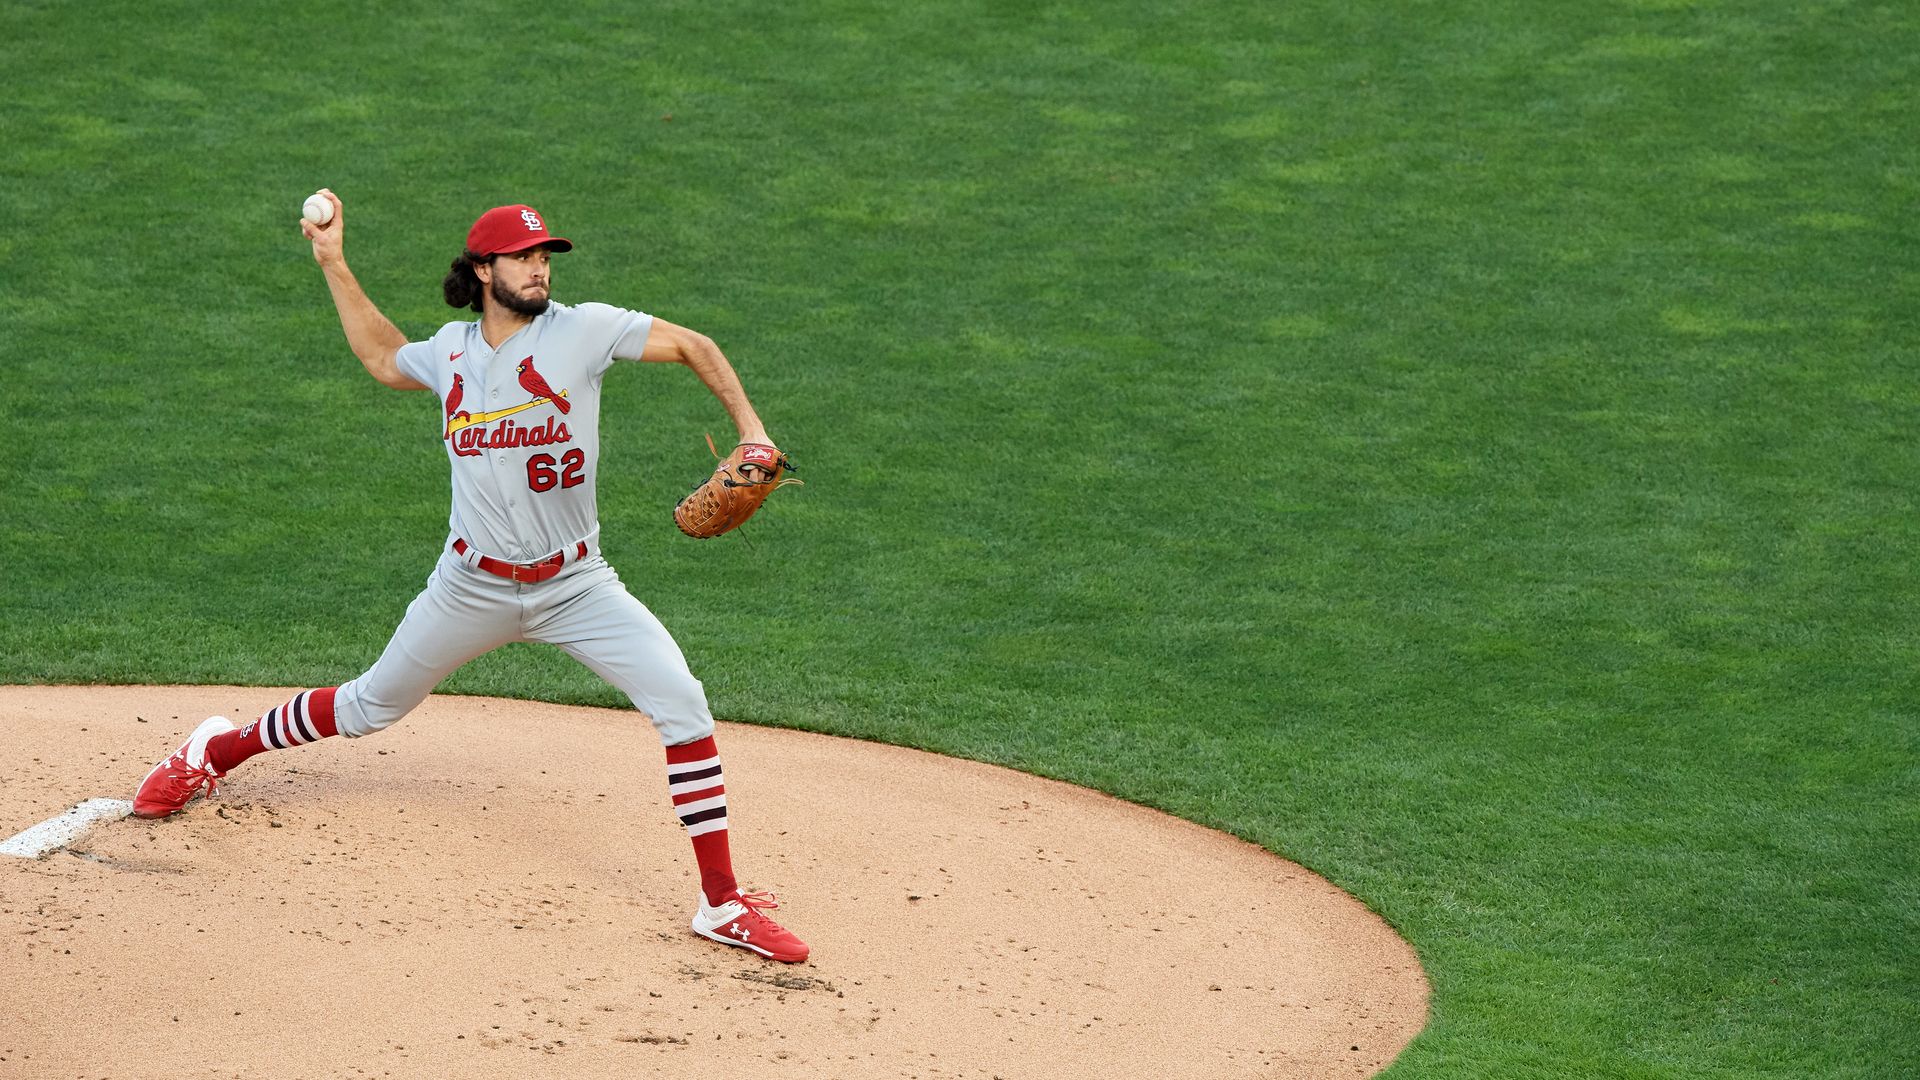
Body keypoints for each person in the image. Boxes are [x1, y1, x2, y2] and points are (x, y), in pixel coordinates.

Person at [131, 192, 808, 963]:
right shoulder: (450, 352)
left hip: (577, 586)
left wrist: (752, 432)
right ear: (483, 269)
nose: (540, 269)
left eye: (545, 257)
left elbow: (695, 345)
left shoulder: (582, 332)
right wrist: (333, 261)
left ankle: (720, 904)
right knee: (368, 707)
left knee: (682, 702)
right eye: (524, 258)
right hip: (470, 587)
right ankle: (214, 752)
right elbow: (384, 358)